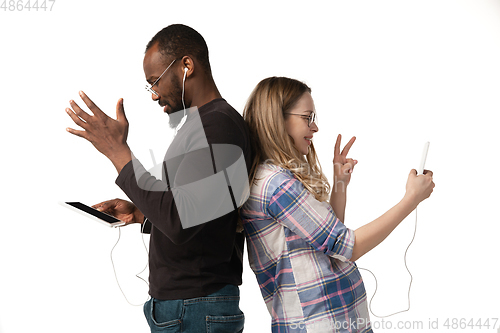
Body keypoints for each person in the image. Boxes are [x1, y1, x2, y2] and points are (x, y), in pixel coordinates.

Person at [65, 24, 251, 333]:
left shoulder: (218, 126)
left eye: (155, 81)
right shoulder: (202, 126)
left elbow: (180, 218)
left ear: (186, 65)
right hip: (188, 307)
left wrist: (117, 151)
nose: (153, 95)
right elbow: (199, 214)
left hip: (195, 307)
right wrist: (140, 214)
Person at [240, 77, 435, 333]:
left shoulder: (275, 178)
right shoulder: (275, 184)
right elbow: (348, 246)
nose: (315, 127)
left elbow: (329, 244)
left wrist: (340, 184)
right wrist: (411, 200)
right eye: (307, 117)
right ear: (278, 120)